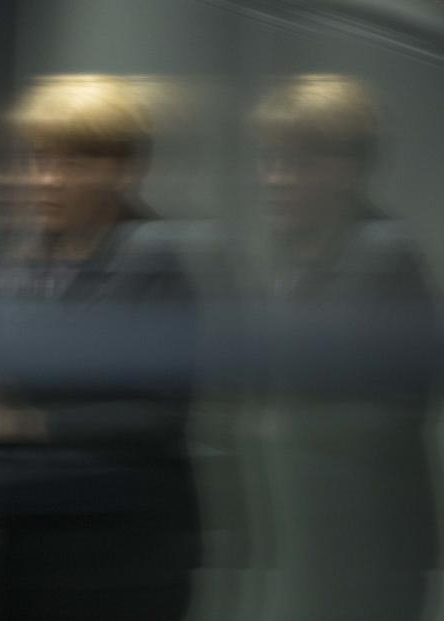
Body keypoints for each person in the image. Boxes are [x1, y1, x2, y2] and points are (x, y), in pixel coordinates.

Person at [0, 74, 200, 620]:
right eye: (38, 159)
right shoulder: (24, 251)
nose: (47, 180)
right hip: (32, 532)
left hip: (121, 550)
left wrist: (28, 424)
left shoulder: (155, 262)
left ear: (122, 170)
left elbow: (159, 417)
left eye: (70, 164)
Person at [235, 74, 438, 620]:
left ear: (347, 171)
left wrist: (277, 422)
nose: (275, 180)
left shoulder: (384, 258)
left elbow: (395, 408)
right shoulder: (296, 254)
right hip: (308, 522)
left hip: (366, 531)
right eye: (269, 161)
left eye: (297, 164)